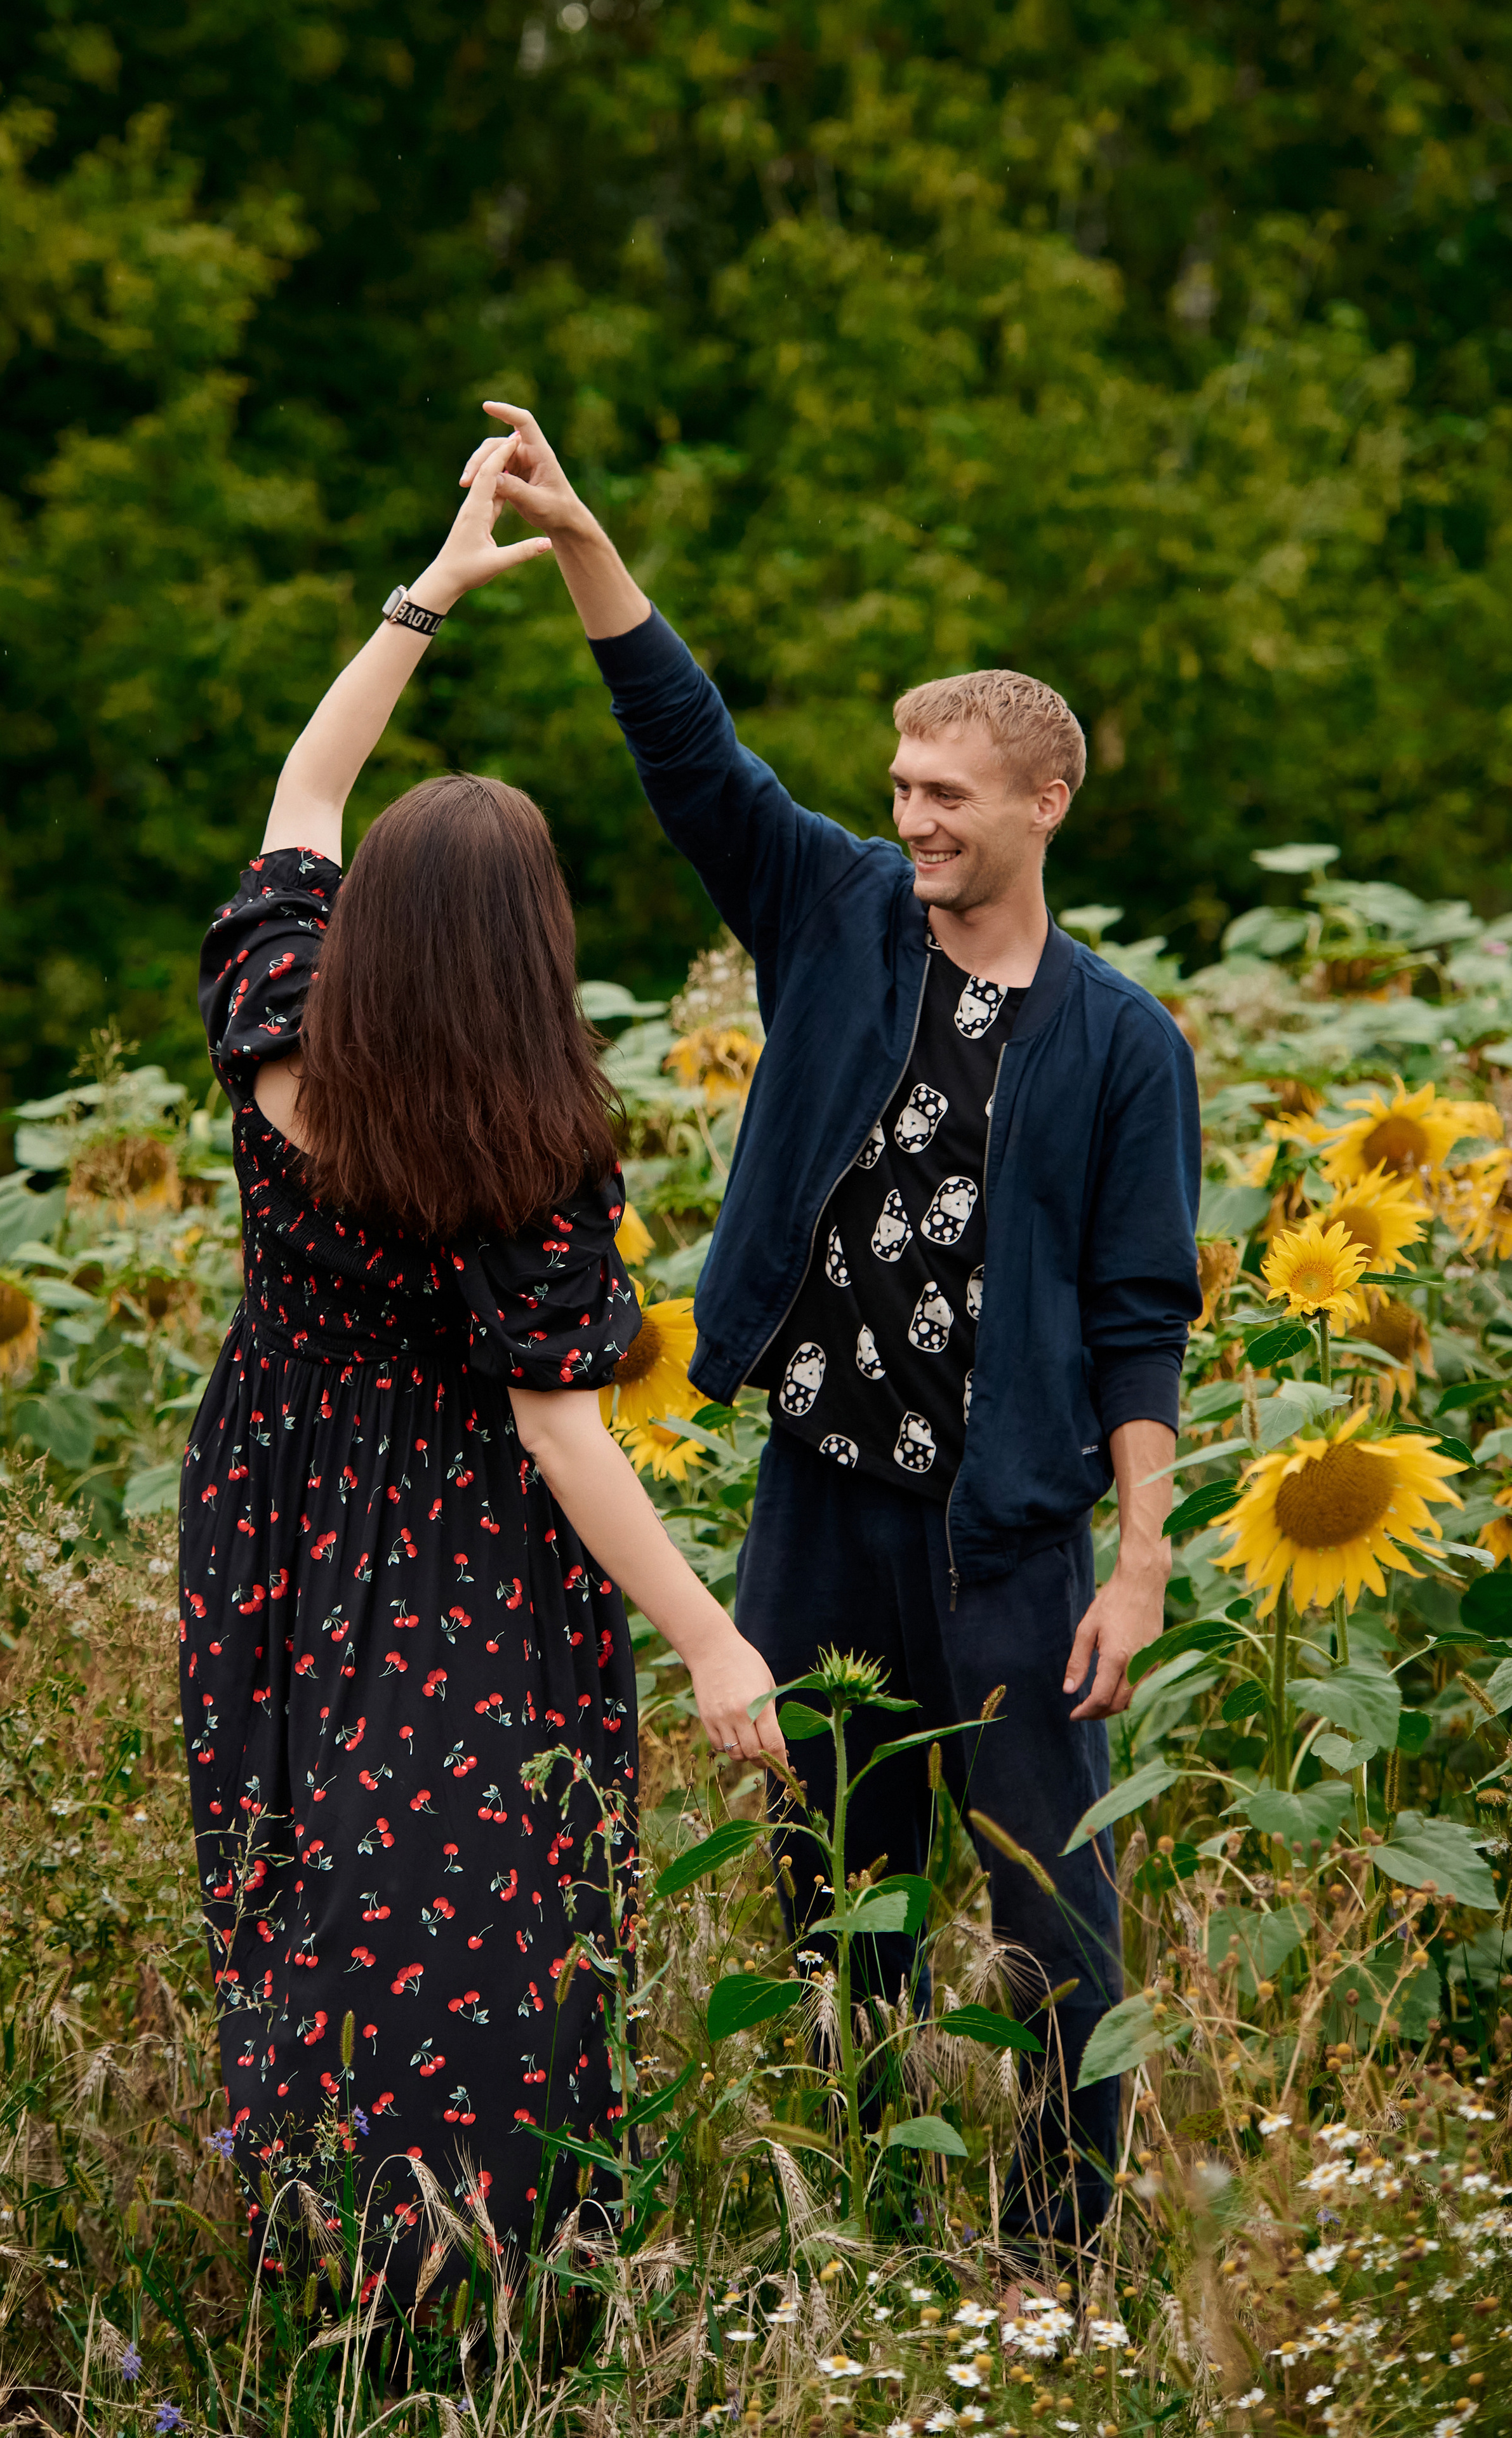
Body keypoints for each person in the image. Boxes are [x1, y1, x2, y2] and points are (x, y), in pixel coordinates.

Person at [465, 404, 1201, 2295]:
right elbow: (688, 753)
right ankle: (857, 2253)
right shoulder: (836, 916)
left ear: (1046, 805)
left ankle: (1051, 2288)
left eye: (948, 794)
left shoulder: (1125, 1046)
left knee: (1057, 1945)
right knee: (836, 1918)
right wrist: (580, 542)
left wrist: (1143, 1555)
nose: (911, 818)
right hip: (824, 1517)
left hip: (1014, 1537)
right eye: (898, 784)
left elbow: (1139, 1315)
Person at [178, 434, 784, 2311]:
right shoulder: (526, 1157)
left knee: (307, 1879)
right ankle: (503, 2294)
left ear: (375, 931)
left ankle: (327, 2262)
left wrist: (434, 582)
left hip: (270, 1496)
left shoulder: (276, 1004)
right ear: (530, 960)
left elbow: (304, 783)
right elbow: (556, 1425)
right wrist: (703, 1632)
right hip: (454, 1552)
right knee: (487, 1909)